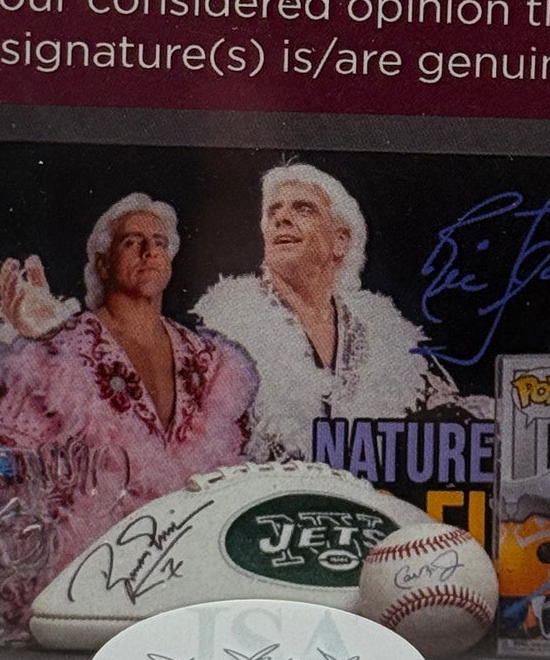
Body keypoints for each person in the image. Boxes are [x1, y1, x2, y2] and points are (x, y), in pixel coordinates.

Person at [0, 194, 256, 561]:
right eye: (132, 242)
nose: (149, 251)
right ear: (102, 264)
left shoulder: (207, 360)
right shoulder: (58, 348)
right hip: (86, 565)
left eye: (159, 243)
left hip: (188, 562)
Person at [193, 164, 454, 461]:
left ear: (340, 241)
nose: (281, 218)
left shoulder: (386, 335)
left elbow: (451, 416)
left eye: (303, 209)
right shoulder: (221, 326)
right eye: (273, 211)